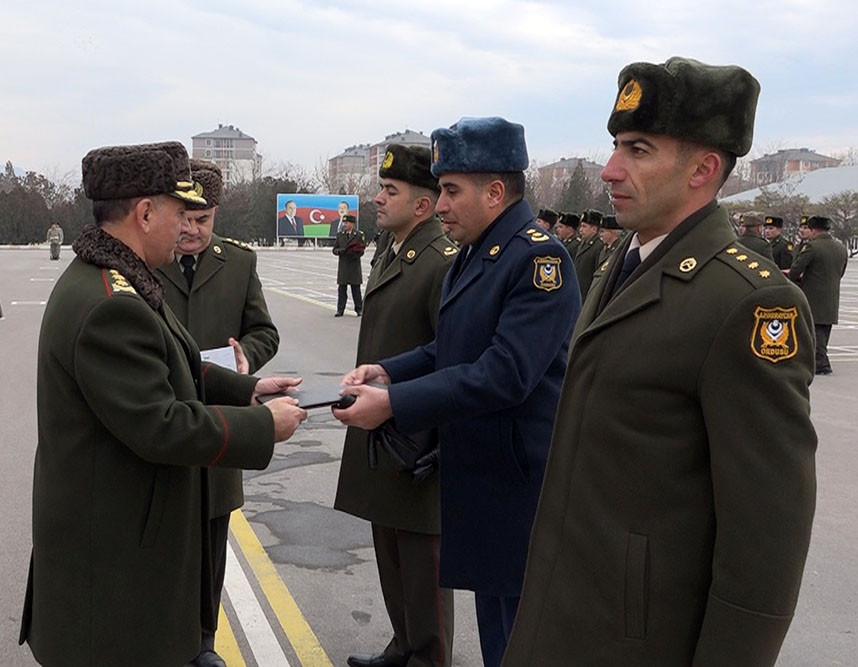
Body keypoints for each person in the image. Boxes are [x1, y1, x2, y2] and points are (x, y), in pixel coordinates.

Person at [503, 57, 817, 667]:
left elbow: (766, 537)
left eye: (638, 150)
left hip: (638, 639)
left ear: (703, 169)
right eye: (616, 145)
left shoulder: (748, 301)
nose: (609, 169)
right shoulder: (629, 258)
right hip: (564, 612)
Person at [19, 141, 307, 667]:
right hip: (113, 565)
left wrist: (248, 390)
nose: (187, 227)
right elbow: (161, 424)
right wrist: (262, 427)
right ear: (145, 213)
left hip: (121, 542)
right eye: (178, 212)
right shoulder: (110, 303)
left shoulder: (119, 280)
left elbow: (172, 363)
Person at [332, 117, 581, 667]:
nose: (439, 205)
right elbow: (449, 349)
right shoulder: (479, 251)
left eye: (450, 191)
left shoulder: (538, 259)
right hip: (483, 476)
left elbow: (505, 372)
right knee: (497, 630)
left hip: (517, 484)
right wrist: (388, 372)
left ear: (494, 192)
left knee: (517, 638)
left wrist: (395, 404)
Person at [335, 144, 458, 667]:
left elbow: (448, 358)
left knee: (421, 565)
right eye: (380, 189)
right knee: (390, 554)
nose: (378, 199)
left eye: (391, 191)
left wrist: (422, 431)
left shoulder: (440, 262)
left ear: (423, 206)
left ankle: (427, 656)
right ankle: (403, 645)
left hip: (415, 440)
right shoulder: (394, 248)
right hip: (382, 430)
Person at [156, 159, 280, 667]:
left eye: (202, 220)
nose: (190, 230)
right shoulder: (148, 259)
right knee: (163, 539)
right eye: (183, 217)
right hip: (163, 419)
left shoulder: (239, 263)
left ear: (215, 215)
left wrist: (249, 357)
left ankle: (204, 642)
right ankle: (167, 637)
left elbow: (264, 331)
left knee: (211, 538)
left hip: (221, 426)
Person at [788, 215, 848, 375]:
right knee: (823, 329)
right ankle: (819, 361)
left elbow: (795, 270)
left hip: (812, 295)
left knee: (813, 330)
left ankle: (821, 364)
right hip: (832, 295)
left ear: (813, 230)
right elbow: (841, 272)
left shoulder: (812, 247)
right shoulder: (840, 247)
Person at [333, 214, 366, 316]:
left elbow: (362, 250)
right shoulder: (340, 235)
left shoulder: (359, 235)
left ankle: (359, 309)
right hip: (343, 266)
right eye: (344, 223)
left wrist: (354, 253)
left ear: (352, 224)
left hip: (354, 265)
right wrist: (341, 251)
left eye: (347, 223)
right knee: (342, 289)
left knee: (356, 289)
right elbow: (334, 249)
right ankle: (340, 309)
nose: (345, 224)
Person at [573, 208, 604, 299]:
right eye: (581, 226)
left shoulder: (598, 247)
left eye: (584, 226)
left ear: (594, 229)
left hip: (588, 294)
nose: (580, 230)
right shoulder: (582, 244)